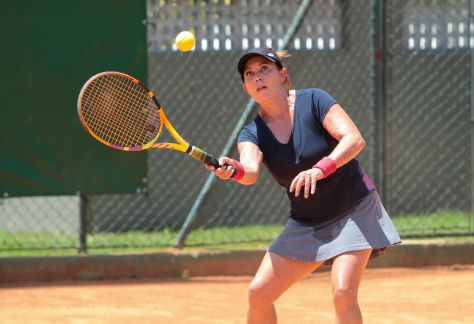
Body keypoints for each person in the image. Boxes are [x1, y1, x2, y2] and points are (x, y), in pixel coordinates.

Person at [207, 47, 401, 324]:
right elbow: (249, 171)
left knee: (343, 291)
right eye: (250, 74)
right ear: (246, 87)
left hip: (354, 209)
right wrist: (232, 170)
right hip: (308, 221)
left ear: (282, 74)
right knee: (258, 293)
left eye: (265, 69)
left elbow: (353, 139)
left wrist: (320, 168)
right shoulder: (252, 133)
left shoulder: (314, 100)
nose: (258, 77)